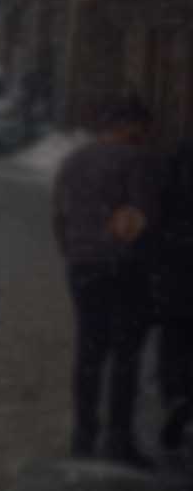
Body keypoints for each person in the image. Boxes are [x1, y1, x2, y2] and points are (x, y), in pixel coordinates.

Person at [53, 97, 162, 467]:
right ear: (132, 125)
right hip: (121, 267)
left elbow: (59, 215)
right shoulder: (137, 161)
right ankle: (119, 439)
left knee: (89, 351)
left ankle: (83, 434)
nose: (146, 137)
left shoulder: (74, 160)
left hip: (82, 266)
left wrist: (74, 249)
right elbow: (141, 218)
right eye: (144, 130)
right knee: (125, 355)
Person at [148, 138, 193, 454]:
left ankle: (175, 395)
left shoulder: (175, 156)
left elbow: (155, 210)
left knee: (174, 338)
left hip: (176, 267)